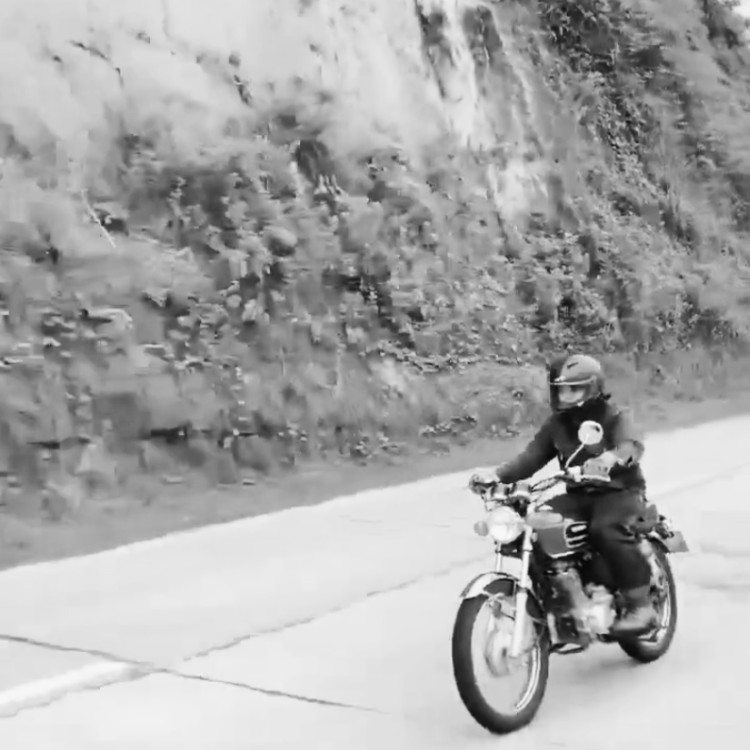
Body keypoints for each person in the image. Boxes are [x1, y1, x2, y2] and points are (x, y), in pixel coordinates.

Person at [494, 353, 656, 636]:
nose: (565, 395)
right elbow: (530, 458)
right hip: (579, 494)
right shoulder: (557, 424)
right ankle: (558, 597)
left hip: (619, 491)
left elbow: (630, 445)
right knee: (535, 526)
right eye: (561, 389)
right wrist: (496, 477)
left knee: (605, 529)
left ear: (592, 387)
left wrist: (608, 459)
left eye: (574, 389)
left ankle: (640, 606)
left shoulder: (614, 415)